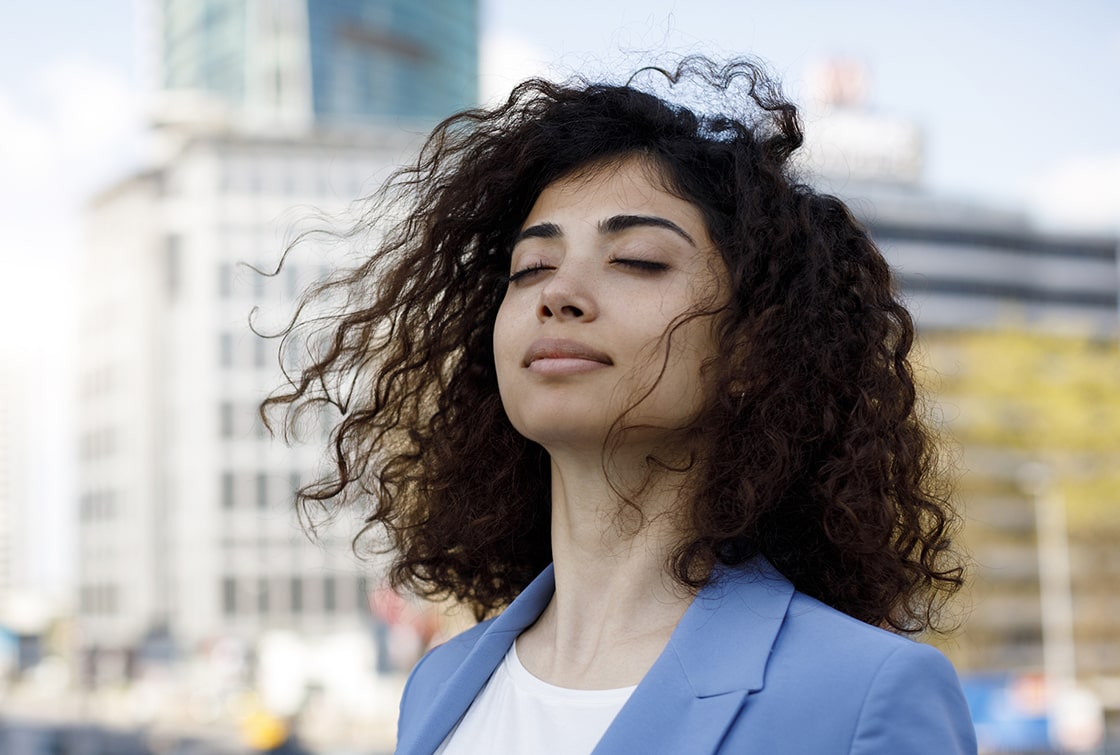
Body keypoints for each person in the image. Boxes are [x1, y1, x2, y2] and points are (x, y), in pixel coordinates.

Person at [261, 56, 975, 754]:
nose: (557, 292)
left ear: (755, 347)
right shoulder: (438, 685)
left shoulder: (864, 694)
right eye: (530, 267)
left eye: (637, 259)